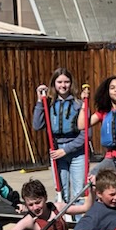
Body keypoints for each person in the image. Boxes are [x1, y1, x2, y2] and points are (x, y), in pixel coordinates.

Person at [0, 177, 94, 230]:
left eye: (38, 202)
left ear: (45, 197)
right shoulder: (29, 220)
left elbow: (86, 208)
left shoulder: (58, 208)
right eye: (30, 205)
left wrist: (92, 189)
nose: (35, 208)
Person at [32, 67, 87, 206]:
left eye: (66, 82)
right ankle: (63, 222)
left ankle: (79, 225)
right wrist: (40, 101)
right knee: (61, 193)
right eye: (59, 82)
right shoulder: (48, 104)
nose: (63, 85)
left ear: (71, 83)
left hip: (77, 152)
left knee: (79, 194)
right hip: (56, 152)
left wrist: (66, 150)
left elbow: (86, 134)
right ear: (54, 84)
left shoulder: (79, 104)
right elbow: (37, 125)